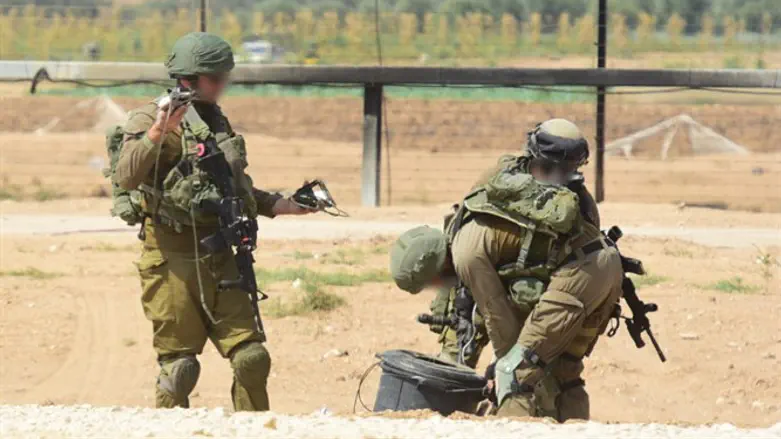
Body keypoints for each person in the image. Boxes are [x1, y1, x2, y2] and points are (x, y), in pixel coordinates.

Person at [113, 32, 312, 411]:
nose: (223, 86)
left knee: (252, 359)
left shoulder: (215, 120)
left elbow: (233, 187)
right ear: (188, 78)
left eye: (224, 78)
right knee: (180, 370)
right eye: (215, 79)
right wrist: (159, 131)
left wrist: (283, 205)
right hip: (172, 259)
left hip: (222, 254)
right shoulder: (151, 119)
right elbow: (126, 176)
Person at [391, 119, 623, 421]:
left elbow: (496, 316)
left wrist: (499, 368)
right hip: (603, 270)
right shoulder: (567, 197)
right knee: (563, 371)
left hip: (582, 274)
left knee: (514, 373)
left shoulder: (467, 252)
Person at [427, 119, 601, 370]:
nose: (555, 176)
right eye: (549, 167)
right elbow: (460, 228)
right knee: (454, 363)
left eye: (564, 169)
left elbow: (579, 271)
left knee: (533, 377)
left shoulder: (579, 208)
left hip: (532, 302)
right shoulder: (500, 178)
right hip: (478, 292)